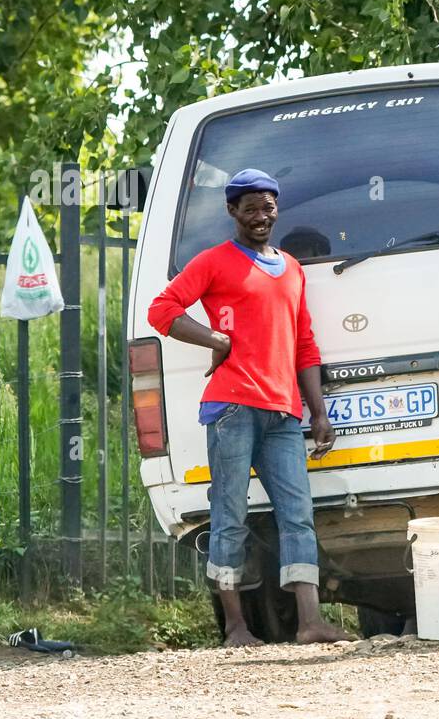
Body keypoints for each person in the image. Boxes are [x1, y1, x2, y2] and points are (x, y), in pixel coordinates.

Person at [147, 168, 351, 647]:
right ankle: (236, 627)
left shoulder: (293, 269)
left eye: (268, 207)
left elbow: (305, 344)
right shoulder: (215, 262)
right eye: (250, 209)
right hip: (232, 408)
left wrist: (317, 412)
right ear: (232, 212)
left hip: (283, 413)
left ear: (277, 209)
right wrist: (213, 337)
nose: (261, 217)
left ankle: (309, 623)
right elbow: (163, 309)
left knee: (298, 513)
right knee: (230, 515)